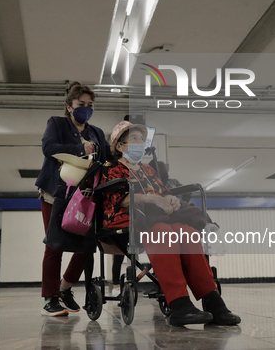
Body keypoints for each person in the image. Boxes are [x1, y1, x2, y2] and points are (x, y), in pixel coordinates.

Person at [101, 121, 241, 326]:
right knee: (163, 232)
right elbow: (119, 198)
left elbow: (162, 191)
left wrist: (170, 198)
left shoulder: (148, 169)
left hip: (157, 216)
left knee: (187, 232)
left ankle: (213, 301)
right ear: (119, 146)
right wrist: (152, 198)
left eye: (142, 139)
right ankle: (179, 304)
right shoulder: (112, 169)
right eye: (134, 139)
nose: (140, 143)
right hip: (130, 218)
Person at [36, 81, 111, 317]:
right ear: (69, 106)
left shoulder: (96, 132)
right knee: (54, 245)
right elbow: (48, 147)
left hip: (84, 196)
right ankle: (50, 299)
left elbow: (108, 159)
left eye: (90, 105)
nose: (86, 109)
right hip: (55, 194)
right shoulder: (56, 123)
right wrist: (81, 148)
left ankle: (65, 287)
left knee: (86, 246)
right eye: (81, 104)